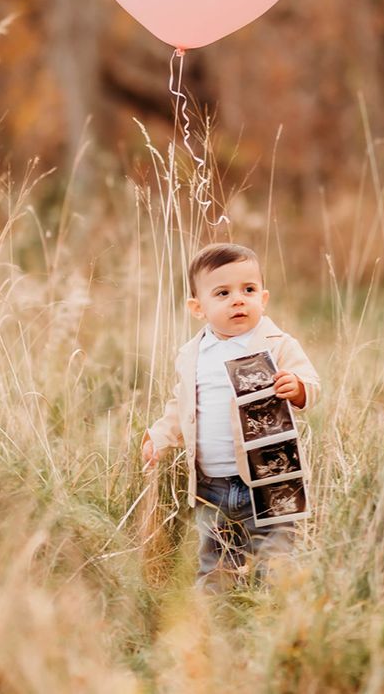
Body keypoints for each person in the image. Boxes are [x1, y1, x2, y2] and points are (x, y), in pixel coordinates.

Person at [141, 241, 321, 592]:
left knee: (276, 561)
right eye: (222, 293)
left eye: (248, 290)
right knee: (214, 564)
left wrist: (296, 387)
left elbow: (312, 385)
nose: (238, 299)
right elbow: (181, 406)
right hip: (212, 485)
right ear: (198, 308)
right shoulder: (193, 354)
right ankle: (215, 621)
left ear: (263, 299)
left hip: (272, 479)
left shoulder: (276, 343)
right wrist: (160, 437)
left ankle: (273, 619)